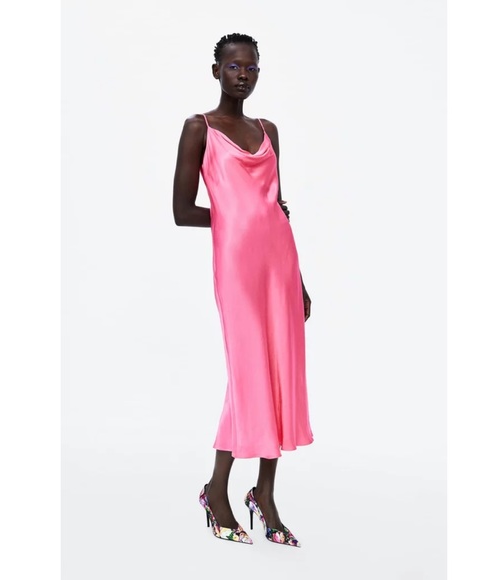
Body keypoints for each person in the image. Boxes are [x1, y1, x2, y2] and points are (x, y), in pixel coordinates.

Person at [172, 33, 313, 547]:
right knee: (249, 374)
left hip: (281, 266)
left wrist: (300, 281)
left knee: (280, 373)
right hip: (237, 268)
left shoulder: (268, 130)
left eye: (251, 67)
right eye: (234, 67)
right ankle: (217, 490)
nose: (243, 75)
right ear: (216, 71)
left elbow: (278, 208)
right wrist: (236, 216)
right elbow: (182, 211)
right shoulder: (200, 128)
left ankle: (265, 494)